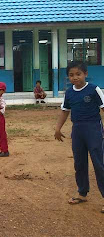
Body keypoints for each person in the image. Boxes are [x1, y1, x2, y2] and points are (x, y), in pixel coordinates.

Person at [54, 61, 104, 213]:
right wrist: (57, 128)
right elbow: (65, 111)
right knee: (79, 163)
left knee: (99, 163)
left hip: (93, 129)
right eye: (71, 75)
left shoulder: (94, 89)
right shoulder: (69, 93)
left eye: (78, 74)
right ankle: (82, 193)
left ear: (85, 74)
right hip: (77, 130)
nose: (75, 77)